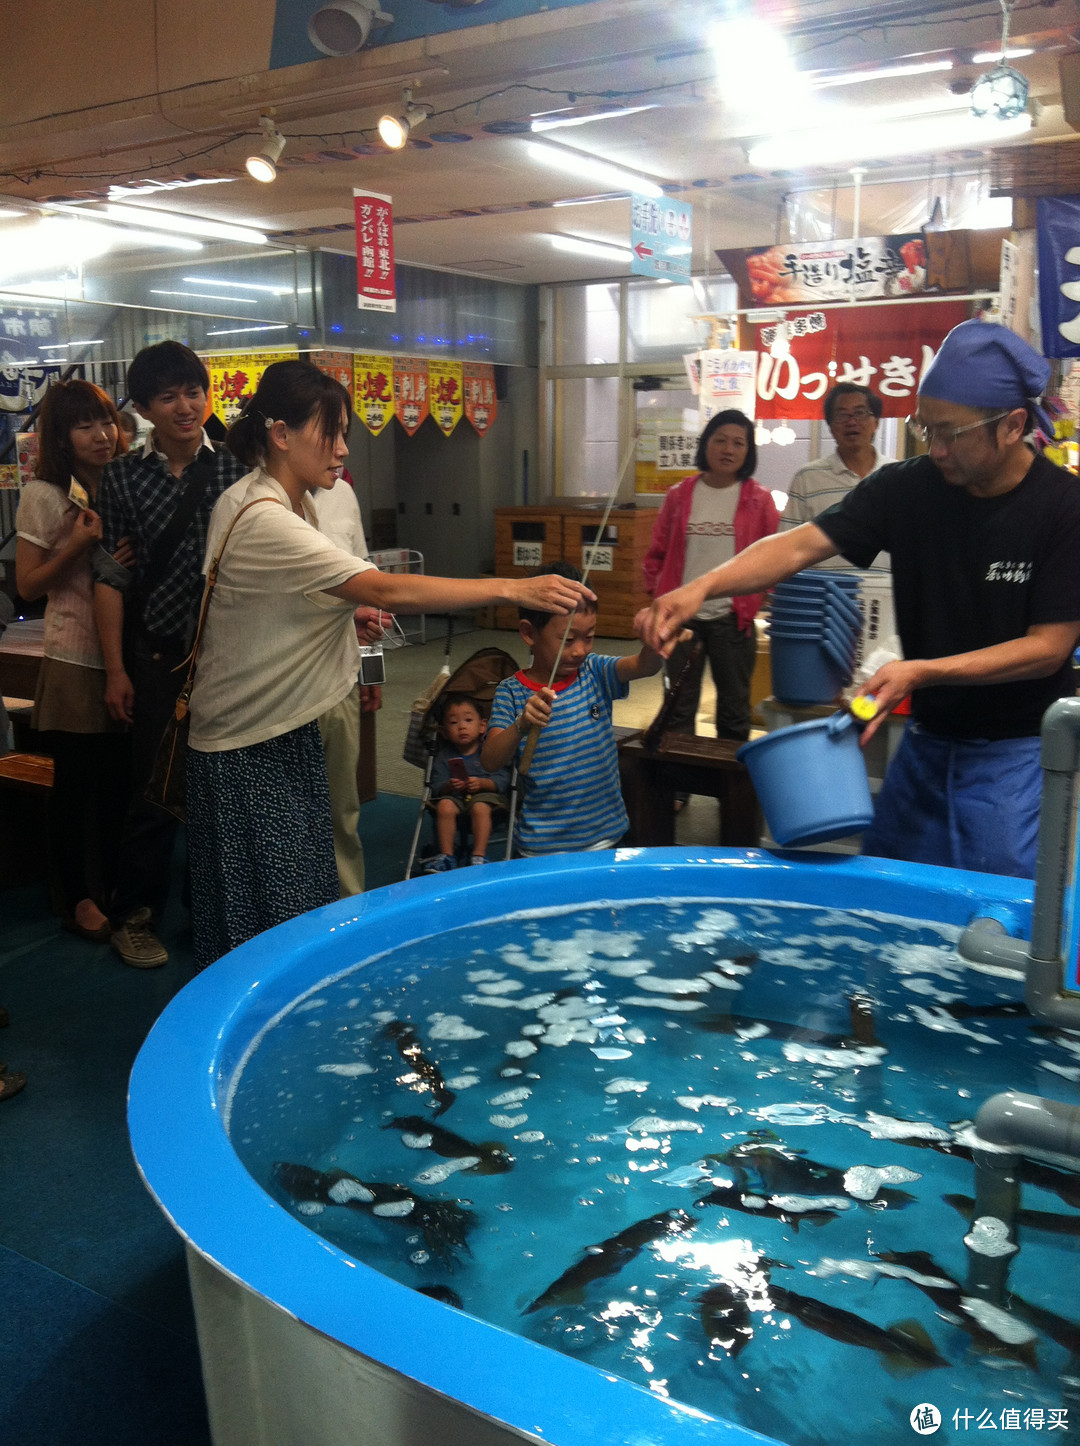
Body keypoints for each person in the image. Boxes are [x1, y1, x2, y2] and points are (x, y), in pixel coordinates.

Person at [185, 361, 592, 969]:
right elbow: (392, 591)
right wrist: (514, 588)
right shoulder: (263, 516)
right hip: (248, 743)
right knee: (267, 921)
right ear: (281, 433)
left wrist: (345, 619)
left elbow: (276, 607)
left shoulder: (296, 506)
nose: (345, 449)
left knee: (292, 900)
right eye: (333, 433)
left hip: (280, 727)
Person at [637, 320, 1080, 879]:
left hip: (1016, 754)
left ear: (1012, 426)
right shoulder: (908, 487)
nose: (934, 447)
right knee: (891, 896)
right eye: (924, 427)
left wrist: (920, 672)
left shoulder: (1063, 508)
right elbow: (798, 545)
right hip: (927, 742)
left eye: (950, 433)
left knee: (995, 915)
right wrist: (699, 587)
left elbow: (1049, 648)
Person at [93, 342, 247, 968]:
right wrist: (116, 670)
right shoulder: (123, 477)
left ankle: (209, 914)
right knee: (151, 794)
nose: (185, 407)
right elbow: (108, 577)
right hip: (155, 659)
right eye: (168, 396)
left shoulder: (236, 468)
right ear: (144, 407)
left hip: (228, 660)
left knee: (218, 790)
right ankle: (135, 916)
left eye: (194, 392)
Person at [15, 380, 133, 941]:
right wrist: (79, 545)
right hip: (72, 658)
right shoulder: (44, 495)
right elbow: (28, 586)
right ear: (61, 436)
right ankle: (78, 900)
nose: (101, 435)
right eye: (85, 426)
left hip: (126, 654)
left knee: (116, 786)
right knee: (74, 788)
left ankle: (111, 884)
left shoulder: (125, 483)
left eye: (107, 422)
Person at [482, 561, 670, 856]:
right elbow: (491, 760)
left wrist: (658, 638)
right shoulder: (511, 692)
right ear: (529, 633)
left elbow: (644, 666)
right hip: (543, 846)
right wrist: (521, 725)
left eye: (589, 637)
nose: (580, 649)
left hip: (606, 836)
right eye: (568, 639)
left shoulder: (594, 671)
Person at [641, 409, 779, 746]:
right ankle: (678, 787)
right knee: (679, 705)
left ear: (749, 451)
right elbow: (657, 553)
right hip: (681, 619)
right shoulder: (679, 495)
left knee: (734, 709)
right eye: (720, 440)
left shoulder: (759, 499)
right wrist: (657, 599)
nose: (728, 449)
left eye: (738, 443)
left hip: (733, 619)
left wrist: (760, 600)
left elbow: (773, 557)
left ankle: (729, 790)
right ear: (706, 445)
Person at [779, 383, 889, 575]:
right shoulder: (807, 478)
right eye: (841, 415)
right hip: (824, 599)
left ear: (876, 422)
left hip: (885, 600)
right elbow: (787, 548)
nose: (852, 422)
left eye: (860, 413)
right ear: (830, 426)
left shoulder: (895, 476)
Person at [425, 693, 511, 872]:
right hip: (455, 796)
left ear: (482, 726)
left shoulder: (489, 752)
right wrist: (449, 785)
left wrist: (483, 783)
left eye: (468, 720)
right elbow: (436, 785)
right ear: (444, 732)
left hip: (487, 797)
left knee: (480, 807)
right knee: (444, 806)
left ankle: (478, 855)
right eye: (454, 723)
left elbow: (503, 779)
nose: (462, 727)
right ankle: (447, 856)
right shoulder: (444, 756)